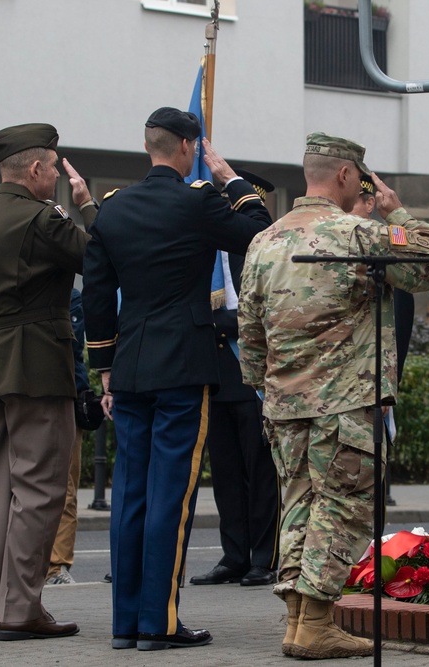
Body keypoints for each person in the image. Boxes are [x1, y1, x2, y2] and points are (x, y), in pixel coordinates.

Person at [238, 132, 429, 659]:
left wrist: (267, 385)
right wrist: (398, 212)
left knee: (298, 508)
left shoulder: (264, 239)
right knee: (343, 508)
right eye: (361, 177)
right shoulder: (357, 233)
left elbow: (250, 331)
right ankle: (314, 625)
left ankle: (297, 622)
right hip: (345, 403)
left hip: (284, 405)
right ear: (345, 176)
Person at [82, 107, 272, 651]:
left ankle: (126, 623)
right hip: (185, 365)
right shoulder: (196, 201)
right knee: (172, 496)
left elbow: (97, 294)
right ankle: (158, 623)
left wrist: (104, 367)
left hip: (131, 366)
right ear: (189, 147)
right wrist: (231, 181)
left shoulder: (113, 209)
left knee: (131, 496)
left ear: (150, 147)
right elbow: (258, 235)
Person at [0, 123, 97, 641]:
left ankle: (0, 607)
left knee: (3, 491)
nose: (57, 176)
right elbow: (98, 262)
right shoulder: (42, 218)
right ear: (36, 169)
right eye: (53, 168)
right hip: (36, 367)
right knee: (41, 490)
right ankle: (20, 609)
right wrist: (88, 207)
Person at [190, 170, 280, 589]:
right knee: (225, 471)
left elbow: (265, 311)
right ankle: (234, 555)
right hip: (217, 372)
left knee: (260, 470)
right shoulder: (209, 250)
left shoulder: (262, 253)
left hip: (254, 374)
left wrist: (221, 321)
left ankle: (264, 557)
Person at [349, 172, 414, 507]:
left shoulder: (388, 239)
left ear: (370, 203)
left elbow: (413, 262)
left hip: (374, 380)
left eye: (353, 201)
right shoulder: (339, 241)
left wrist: (391, 383)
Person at [46, 288, 92, 585]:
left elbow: (69, 346)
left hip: (64, 393)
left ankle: (56, 566)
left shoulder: (70, 295)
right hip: (29, 394)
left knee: (65, 485)